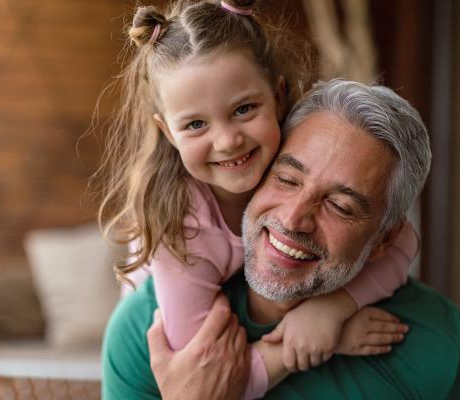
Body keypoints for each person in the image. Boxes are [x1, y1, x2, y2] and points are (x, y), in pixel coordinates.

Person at [102, 79, 460, 399]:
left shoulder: (439, 351)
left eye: (339, 205)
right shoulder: (150, 336)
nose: (294, 218)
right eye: (286, 179)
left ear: (383, 241)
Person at [97, 1, 418, 398]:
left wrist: (332, 308)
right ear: (167, 132)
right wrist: (315, 340)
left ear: (279, 97)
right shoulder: (181, 236)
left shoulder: (298, 158)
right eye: (196, 124)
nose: (228, 140)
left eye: (244, 109)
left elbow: (400, 241)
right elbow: (211, 382)